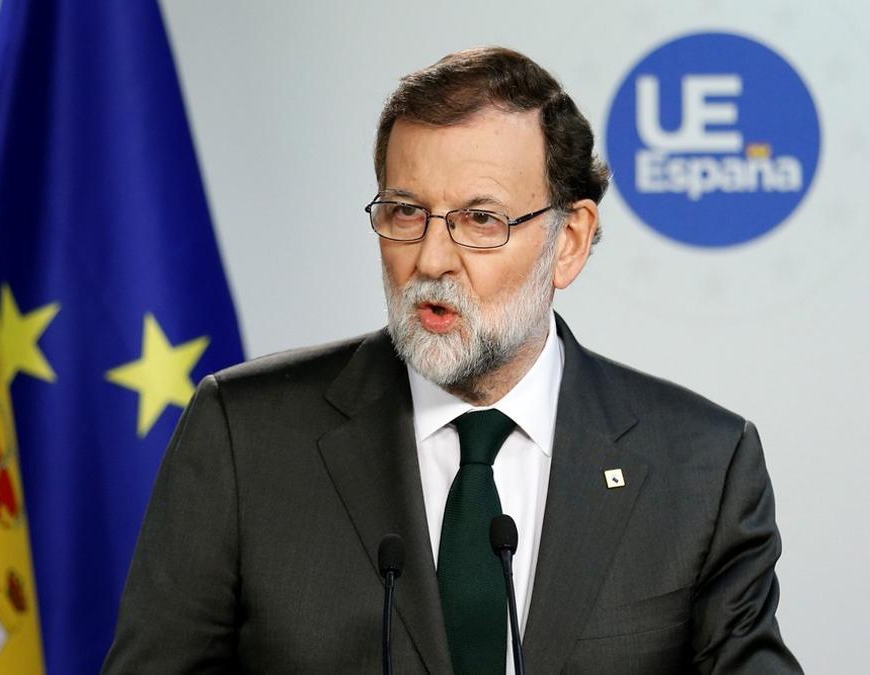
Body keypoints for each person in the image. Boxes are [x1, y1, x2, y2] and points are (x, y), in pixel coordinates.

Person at [103, 47, 801, 674]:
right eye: (405, 212)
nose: (431, 259)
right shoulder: (243, 435)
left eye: (480, 220)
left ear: (570, 240)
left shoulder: (702, 466)